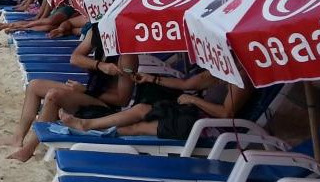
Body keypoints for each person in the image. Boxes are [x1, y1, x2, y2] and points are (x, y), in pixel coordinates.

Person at [4, 24, 136, 162]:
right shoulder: (97, 30)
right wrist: (100, 65)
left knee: (54, 96)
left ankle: (28, 149)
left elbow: (122, 100)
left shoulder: (126, 57)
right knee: (34, 85)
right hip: (89, 93)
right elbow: (75, 58)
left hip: (106, 107)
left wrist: (86, 90)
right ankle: (17, 138)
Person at [58, 69, 252, 139]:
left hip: (209, 128)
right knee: (141, 109)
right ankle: (87, 125)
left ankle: (88, 130)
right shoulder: (222, 70)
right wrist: (152, 79)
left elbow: (227, 114)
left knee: (134, 128)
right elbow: (185, 84)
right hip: (192, 114)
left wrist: (193, 99)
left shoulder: (242, 79)